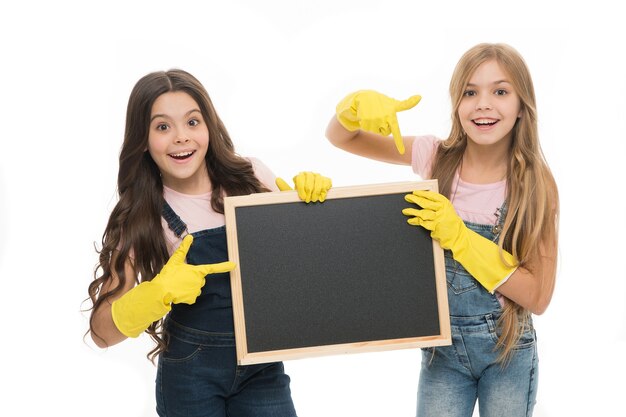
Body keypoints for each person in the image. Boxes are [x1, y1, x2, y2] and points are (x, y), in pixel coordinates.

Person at [325, 43, 559, 416]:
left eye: (500, 91)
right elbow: (342, 138)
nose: (483, 103)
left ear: (521, 107)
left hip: (507, 351)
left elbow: (538, 296)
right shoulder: (437, 157)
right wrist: (351, 110)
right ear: (456, 103)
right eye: (470, 91)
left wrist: (462, 240)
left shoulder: (534, 183)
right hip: (442, 353)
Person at [86, 68, 331, 417]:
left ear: (209, 126)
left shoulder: (251, 177)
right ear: (143, 139)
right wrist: (155, 295)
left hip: (262, 366)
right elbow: (101, 333)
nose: (181, 137)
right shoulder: (142, 216)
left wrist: (310, 209)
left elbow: (305, 263)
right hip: (190, 374)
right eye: (162, 127)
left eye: (192, 122)